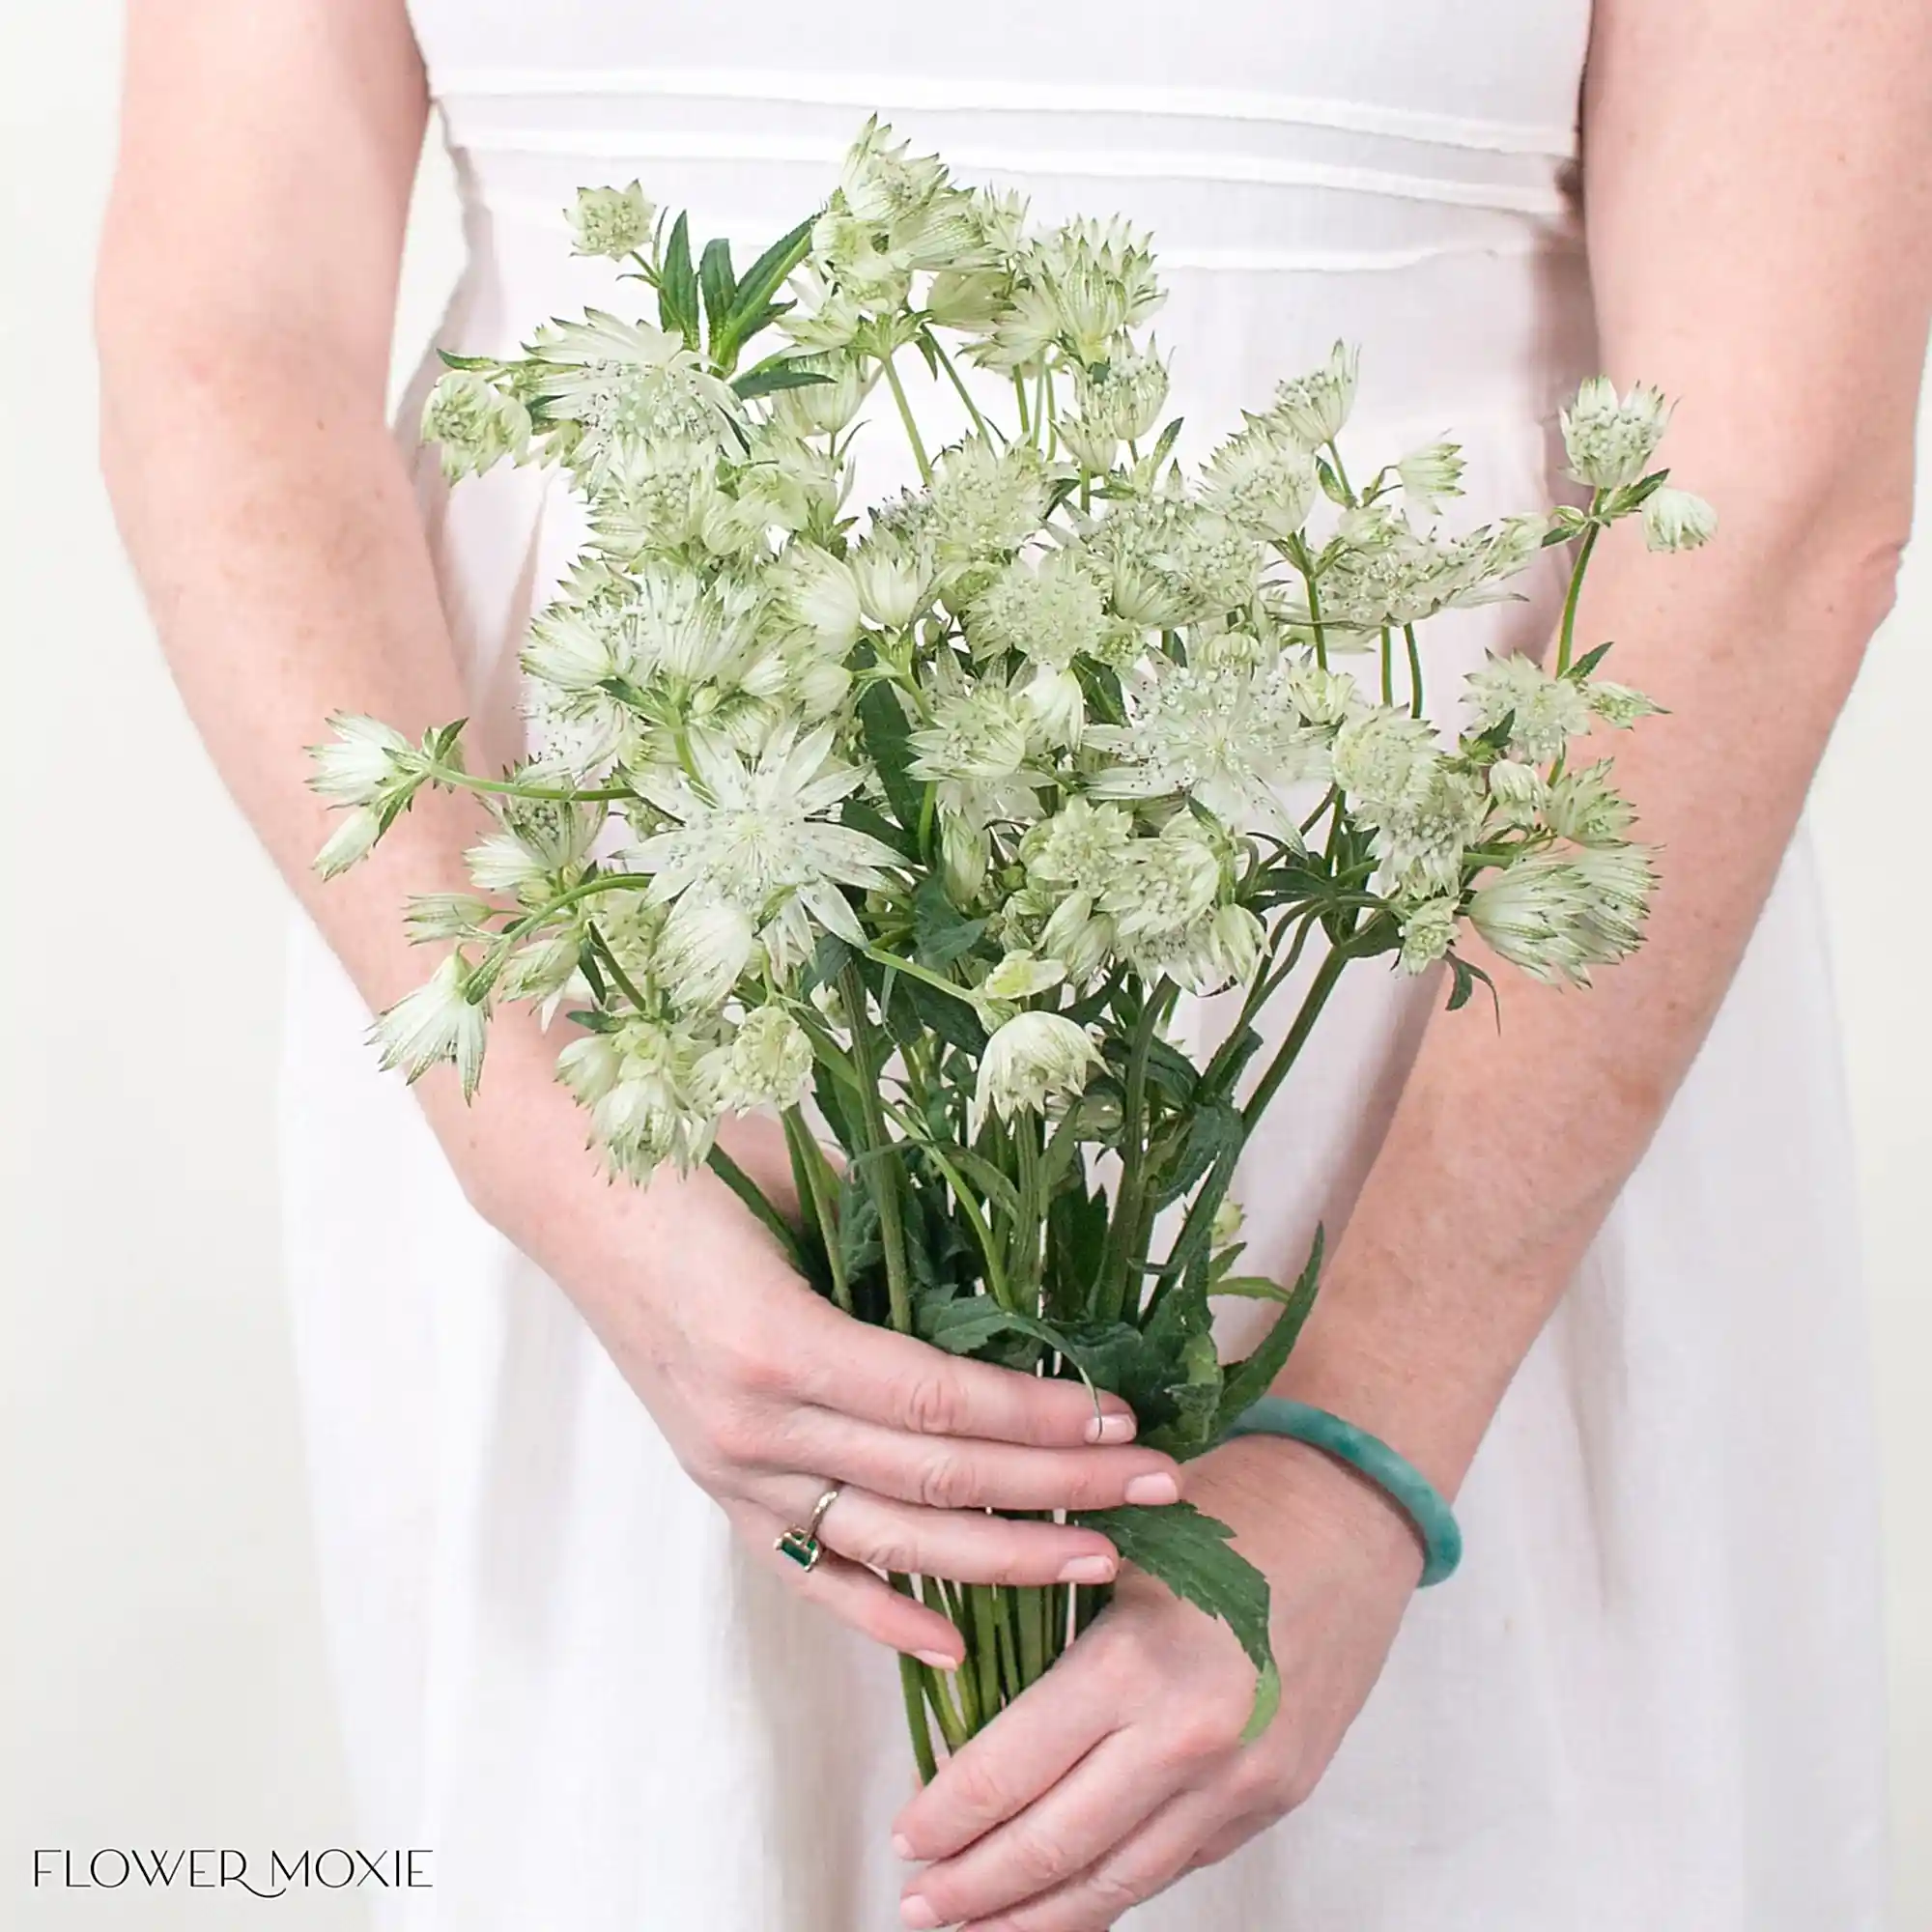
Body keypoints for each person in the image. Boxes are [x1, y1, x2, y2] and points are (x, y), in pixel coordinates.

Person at [97, 1, 1928, 1926]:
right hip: (623, 1071)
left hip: (1435, 1082)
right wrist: (556, 1152)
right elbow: (226, 321)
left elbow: (1781, 476)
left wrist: (1362, 1443)